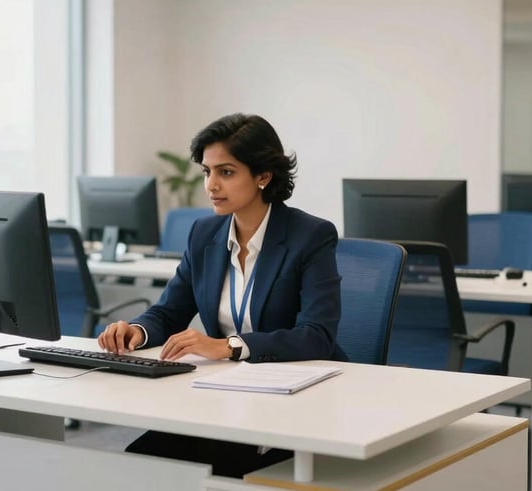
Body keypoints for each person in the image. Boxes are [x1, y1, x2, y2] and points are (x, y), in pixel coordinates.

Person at [97, 112, 347, 478]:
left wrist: (230, 346)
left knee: (215, 472)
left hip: (292, 401)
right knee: (136, 466)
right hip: (223, 397)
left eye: (226, 172)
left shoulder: (309, 236)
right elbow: (169, 312)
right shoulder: (204, 234)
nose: (211, 185)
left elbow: (317, 336)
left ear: (263, 176)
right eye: (206, 171)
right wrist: (139, 330)